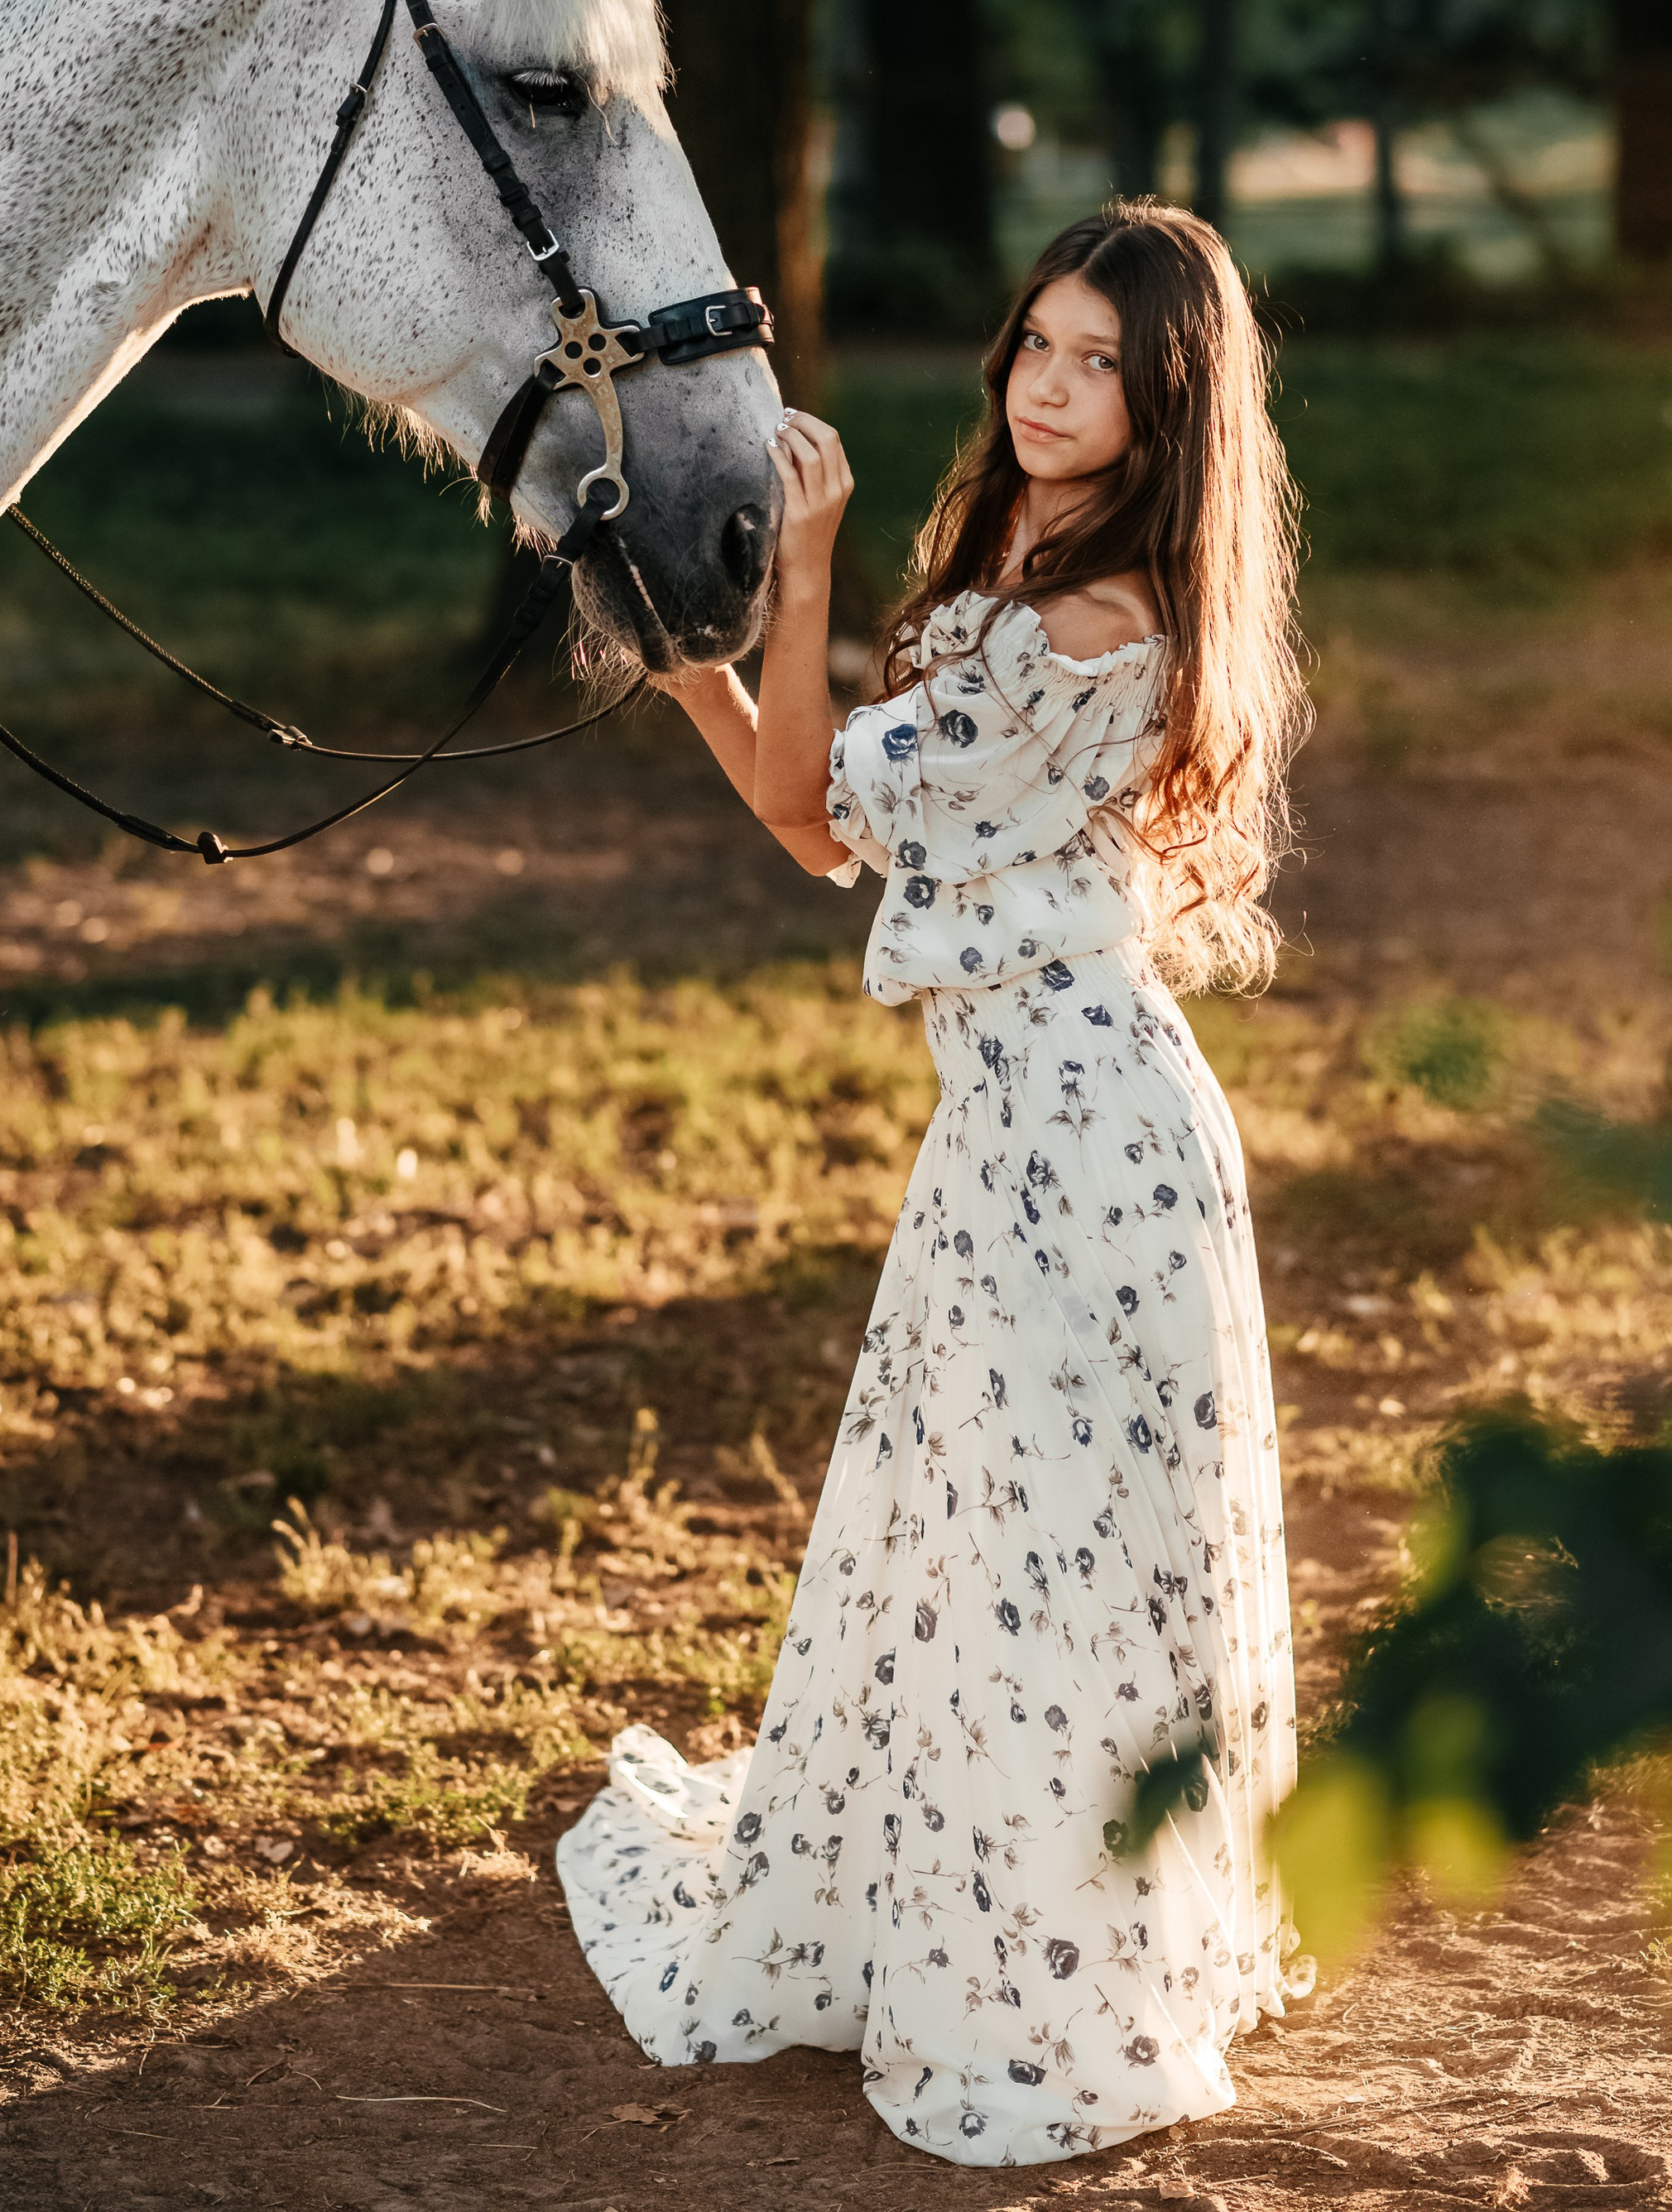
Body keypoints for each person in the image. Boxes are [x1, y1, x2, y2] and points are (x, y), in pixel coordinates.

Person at [557, 200, 1312, 2168]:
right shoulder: (1032, 576)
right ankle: (982, 1899)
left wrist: (795, 568)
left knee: (1040, 1571)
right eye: (1037, 349)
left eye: (1101, 372)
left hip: (1083, 1146)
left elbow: (816, 805)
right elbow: (820, 831)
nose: (1053, 394)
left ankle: (1051, 1973)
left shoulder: (1081, 627)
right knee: (992, 1547)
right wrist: (681, 668)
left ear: (1168, 416)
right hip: (1024, 1130)